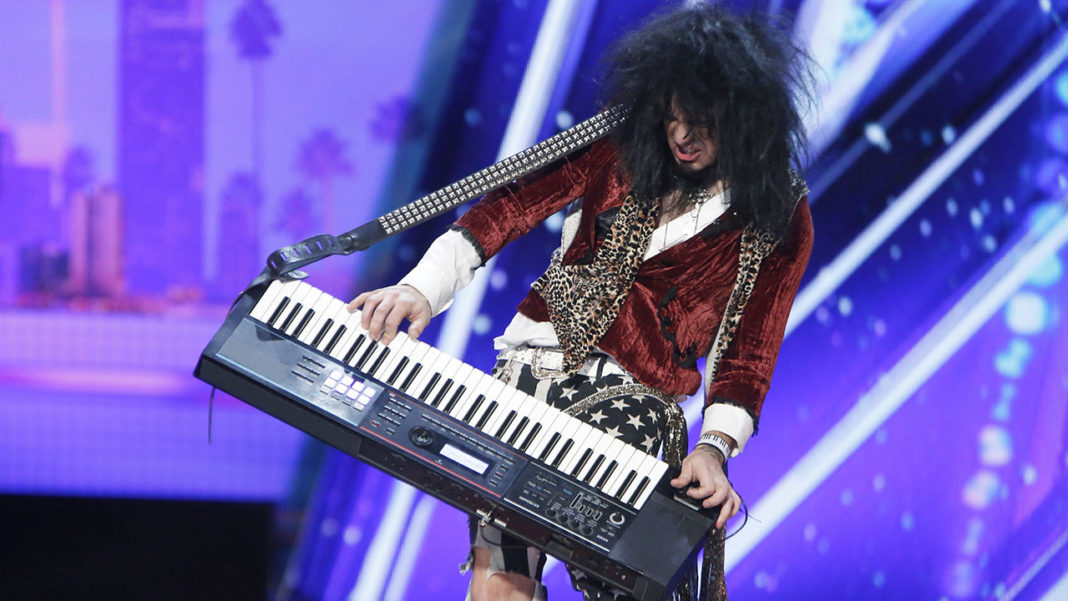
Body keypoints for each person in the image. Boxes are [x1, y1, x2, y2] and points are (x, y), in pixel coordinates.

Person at [349, 4, 814, 600]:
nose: (682, 135)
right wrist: (420, 287)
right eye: (675, 113)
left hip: (631, 417)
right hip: (527, 384)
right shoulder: (618, 144)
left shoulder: (778, 211)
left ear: (744, 115)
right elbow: (505, 209)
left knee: (618, 588)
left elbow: (749, 354)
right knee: (498, 585)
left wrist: (714, 448)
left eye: (704, 120)